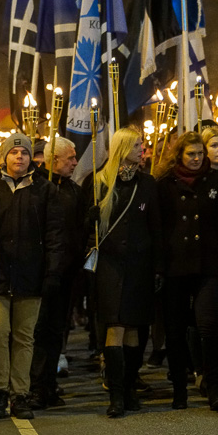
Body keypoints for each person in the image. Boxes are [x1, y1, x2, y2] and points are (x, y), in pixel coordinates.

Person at [0, 132, 65, 420]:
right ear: (4, 157)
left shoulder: (44, 190)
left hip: (30, 274)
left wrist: (52, 271)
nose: (19, 157)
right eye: (13, 152)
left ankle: (20, 393)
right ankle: (0, 389)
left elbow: (54, 235)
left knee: (24, 336)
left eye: (23, 153)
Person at [83, 128, 161, 418]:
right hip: (110, 268)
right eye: (136, 144)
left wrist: (158, 267)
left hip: (139, 267)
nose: (142, 149)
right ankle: (115, 394)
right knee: (115, 327)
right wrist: (88, 220)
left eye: (142, 144)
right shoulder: (99, 182)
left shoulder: (148, 183)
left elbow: (156, 228)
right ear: (122, 148)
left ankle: (129, 389)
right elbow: (84, 230)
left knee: (133, 330)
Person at [157, 132, 218, 411]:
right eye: (191, 154)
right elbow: (160, 227)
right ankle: (179, 389)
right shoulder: (165, 184)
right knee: (174, 331)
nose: (197, 159)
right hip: (175, 266)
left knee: (208, 327)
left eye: (201, 153)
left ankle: (215, 387)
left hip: (207, 265)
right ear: (180, 155)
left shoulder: (214, 182)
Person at [29, 136, 86, 411]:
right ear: (53, 161)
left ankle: (49, 384)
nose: (75, 162)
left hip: (66, 274)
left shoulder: (73, 190)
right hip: (43, 274)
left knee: (56, 332)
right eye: (70, 158)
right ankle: (36, 386)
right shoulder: (37, 187)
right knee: (40, 332)